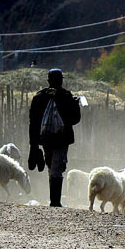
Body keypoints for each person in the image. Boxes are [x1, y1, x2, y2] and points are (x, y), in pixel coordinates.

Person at [28, 68, 81, 207]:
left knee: (52, 166)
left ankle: (55, 201)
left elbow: (33, 123)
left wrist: (33, 144)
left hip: (46, 139)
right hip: (61, 139)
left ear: (48, 81)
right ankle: (55, 201)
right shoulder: (66, 97)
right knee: (54, 166)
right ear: (61, 80)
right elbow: (75, 119)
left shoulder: (39, 98)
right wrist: (74, 105)